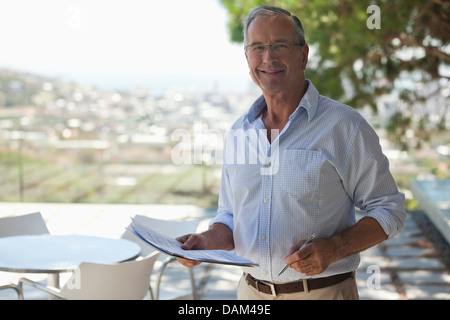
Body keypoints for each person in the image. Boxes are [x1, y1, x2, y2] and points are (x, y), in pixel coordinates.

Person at [176, 5, 407, 300]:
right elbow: (230, 215)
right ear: (247, 58)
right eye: (257, 47)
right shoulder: (239, 133)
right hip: (250, 294)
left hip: (323, 293)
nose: (268, 57)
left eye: (280, 46)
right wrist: (206, 241)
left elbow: (389, 209)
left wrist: (335, 247)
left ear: (303, 54)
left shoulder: (344, 127)